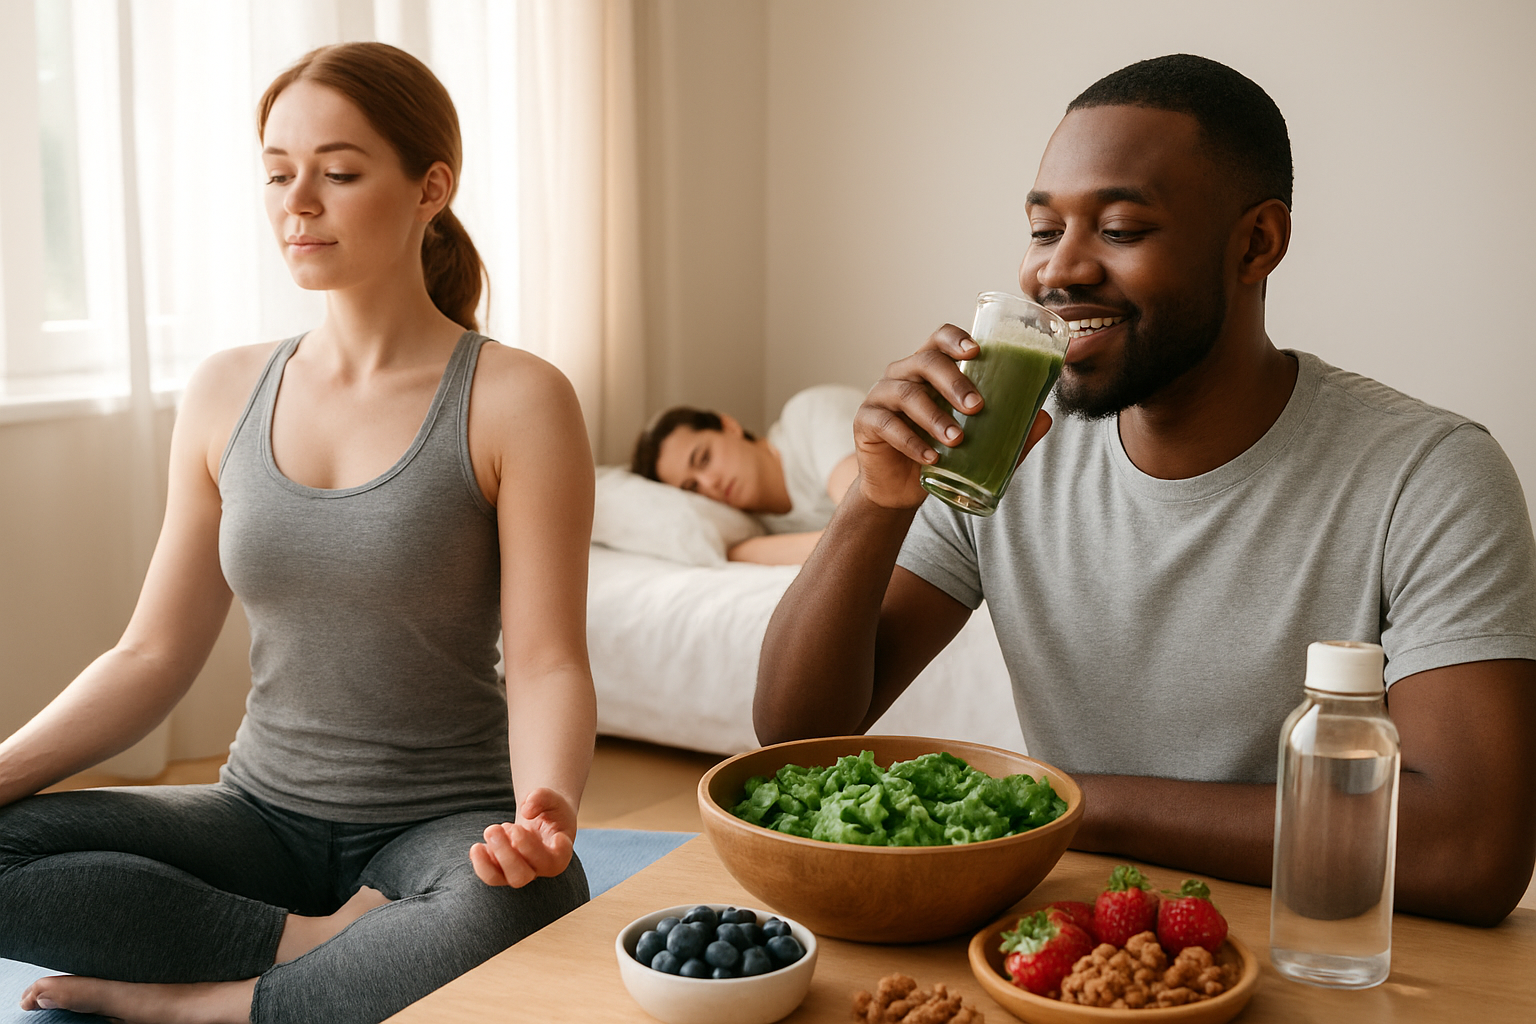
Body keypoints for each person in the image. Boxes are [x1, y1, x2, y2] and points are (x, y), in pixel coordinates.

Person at [755, 54, 1536, 926]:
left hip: (1322, 946)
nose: (1058, 270)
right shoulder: (1008, 444)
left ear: (1256, 243)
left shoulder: (1430, 475)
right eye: (1043, 229)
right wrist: (876, 499)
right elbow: (793, 738)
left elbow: (1471, 850)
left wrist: (1062, 802)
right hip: (1071, 942)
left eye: (1121, 229)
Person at [0, 42, 596, 1023]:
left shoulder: (518, 398)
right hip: (257, 817)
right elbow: (151, 655)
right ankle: (304, 951)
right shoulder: (224, 391)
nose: (298, 203)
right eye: (278, 174)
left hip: (438, 825)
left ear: (430, 188)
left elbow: (546, 659)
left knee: (536, 900)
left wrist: (547, 809)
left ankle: (202, 1005)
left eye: (339, 173)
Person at [631, 384, 864, 564]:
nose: (710, 483)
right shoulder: (751, 529)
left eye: (704, 458)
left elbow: (864, 523)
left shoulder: (808, 416)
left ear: (729, 426)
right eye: (692, 487)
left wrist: (746, 553)